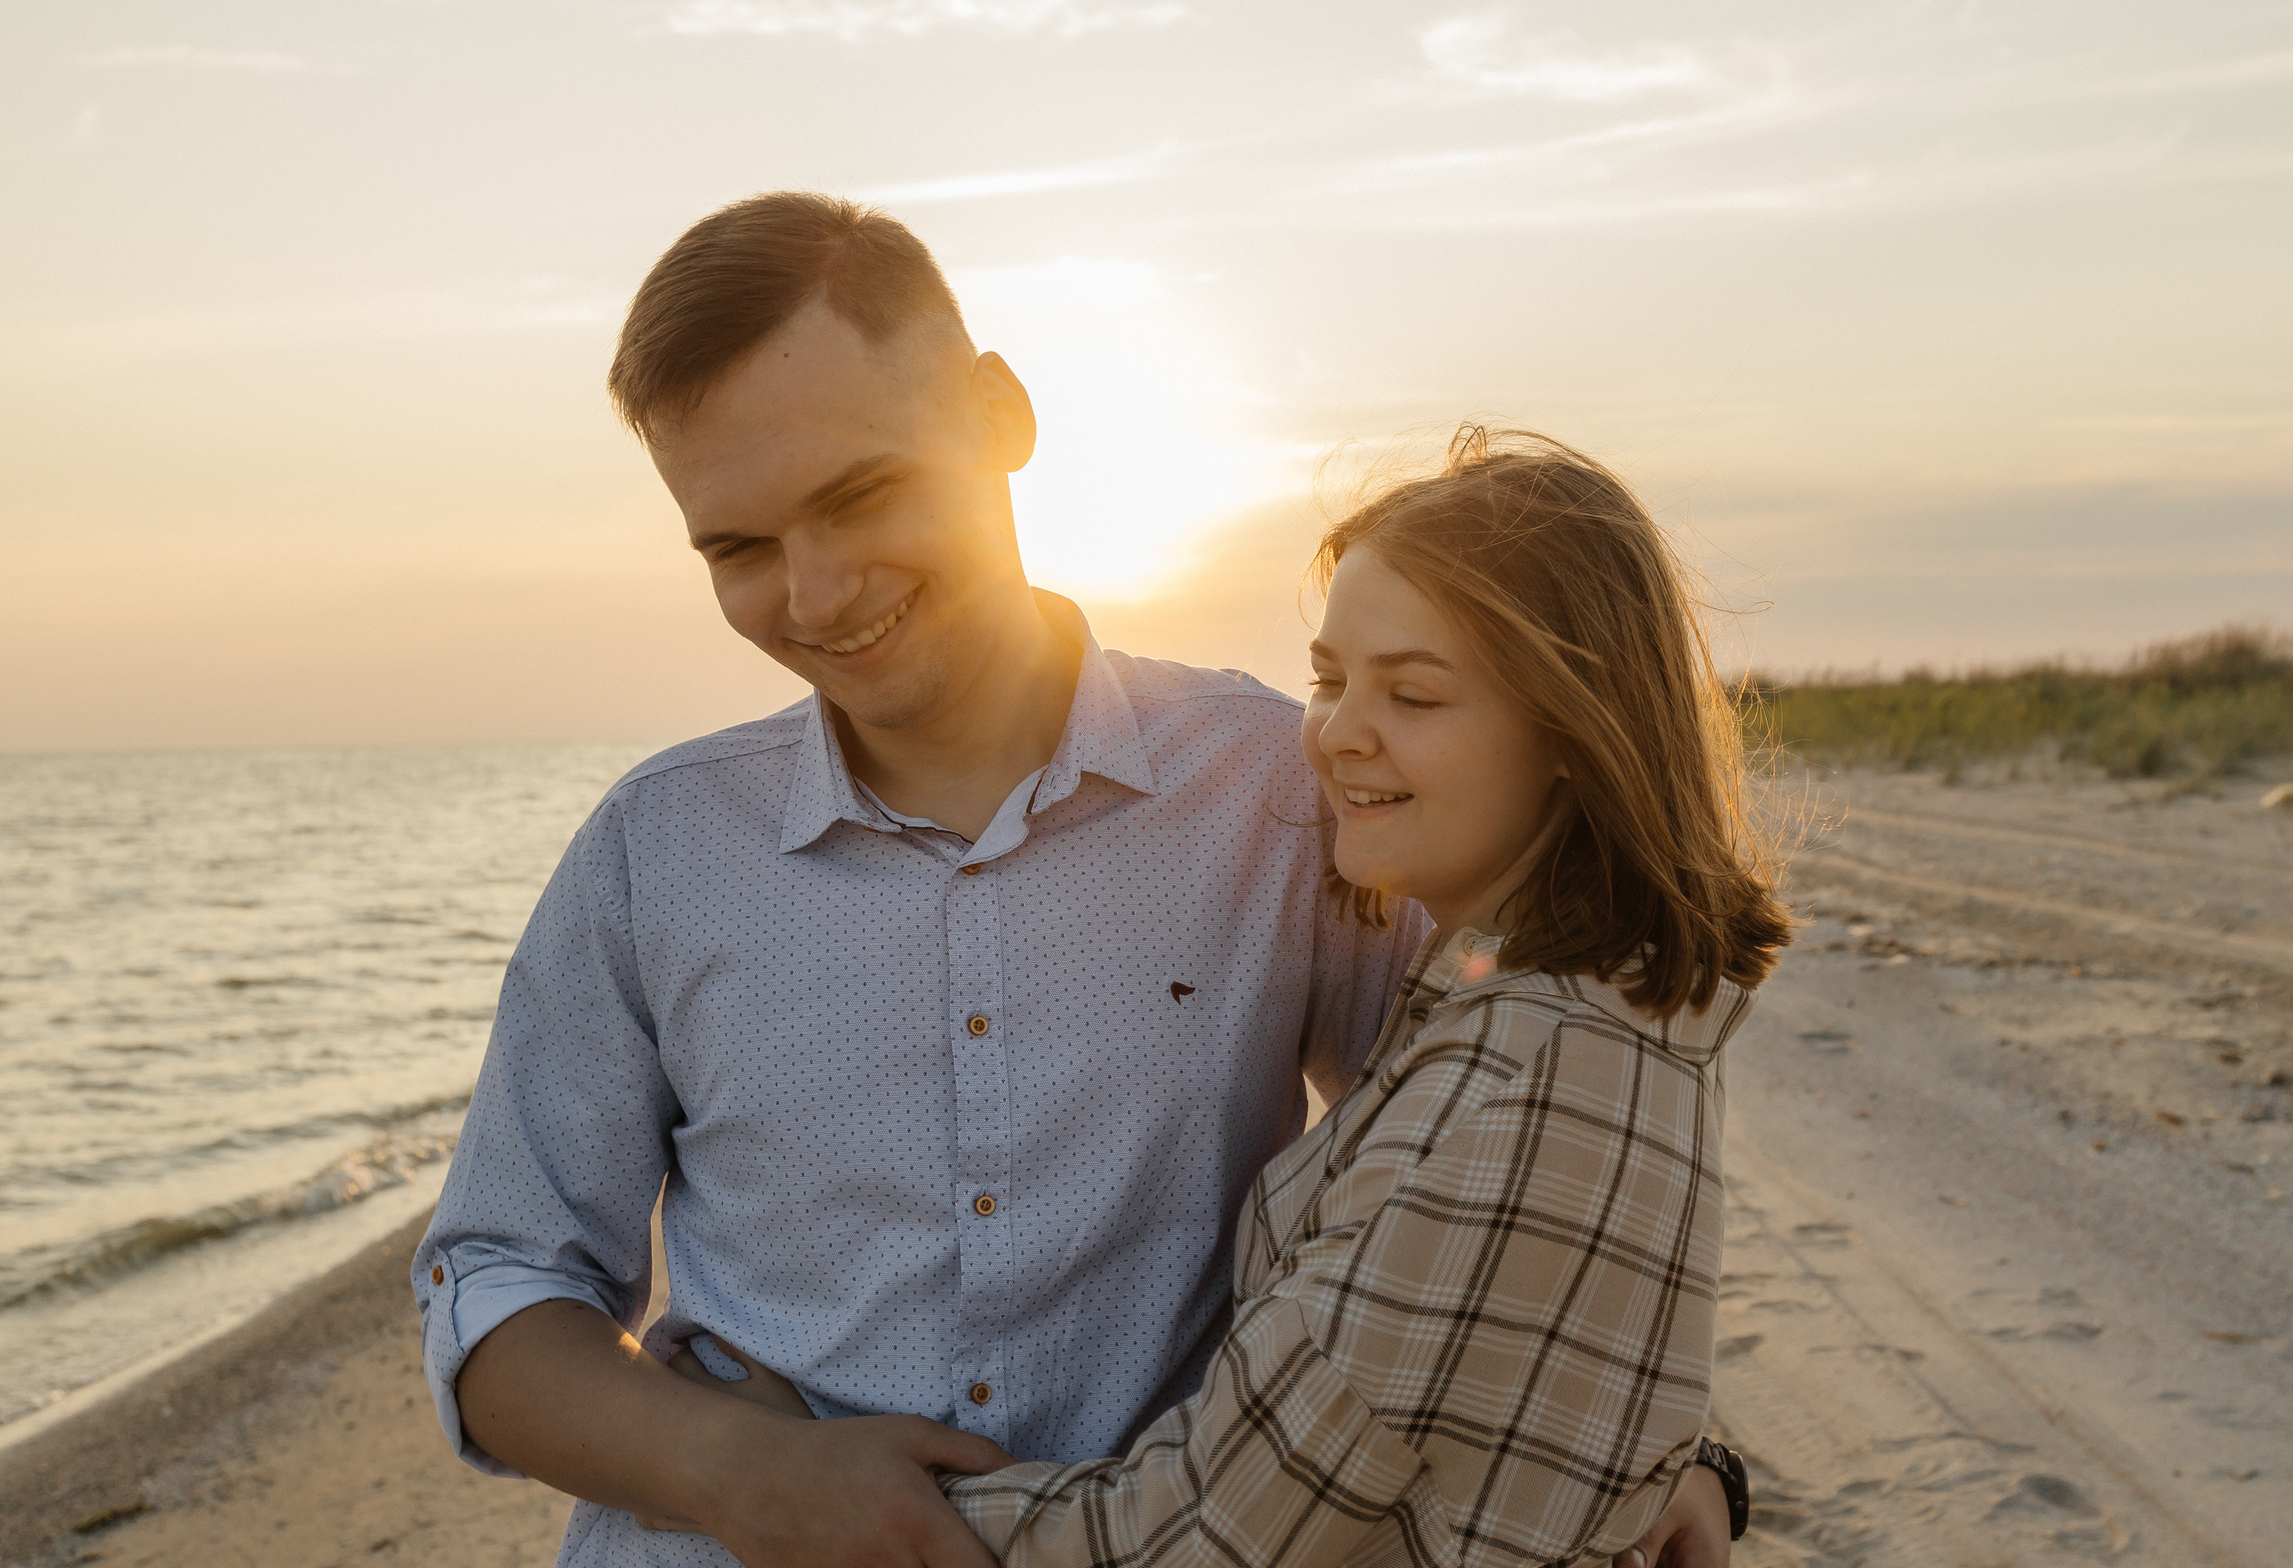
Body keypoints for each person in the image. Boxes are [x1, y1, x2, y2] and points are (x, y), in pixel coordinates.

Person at [414, 196, 1746, 1568]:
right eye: (737, 548)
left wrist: (1678, 1447)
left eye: (858, 494)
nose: (812, 594)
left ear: (1000, 415)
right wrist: (744, 1469)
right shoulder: (658, 848)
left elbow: (1498, 1165)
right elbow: (496, 1284)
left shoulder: (1283, 790)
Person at [669, 430, 1790, 1568]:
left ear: (1572, 730)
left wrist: (784, 1477)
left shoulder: (1528, 1071)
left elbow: (1201, 1539)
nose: (1339, 730)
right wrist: (1695, 1456)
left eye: (1410, 692)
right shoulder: (1523, 999)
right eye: (1328, 677)